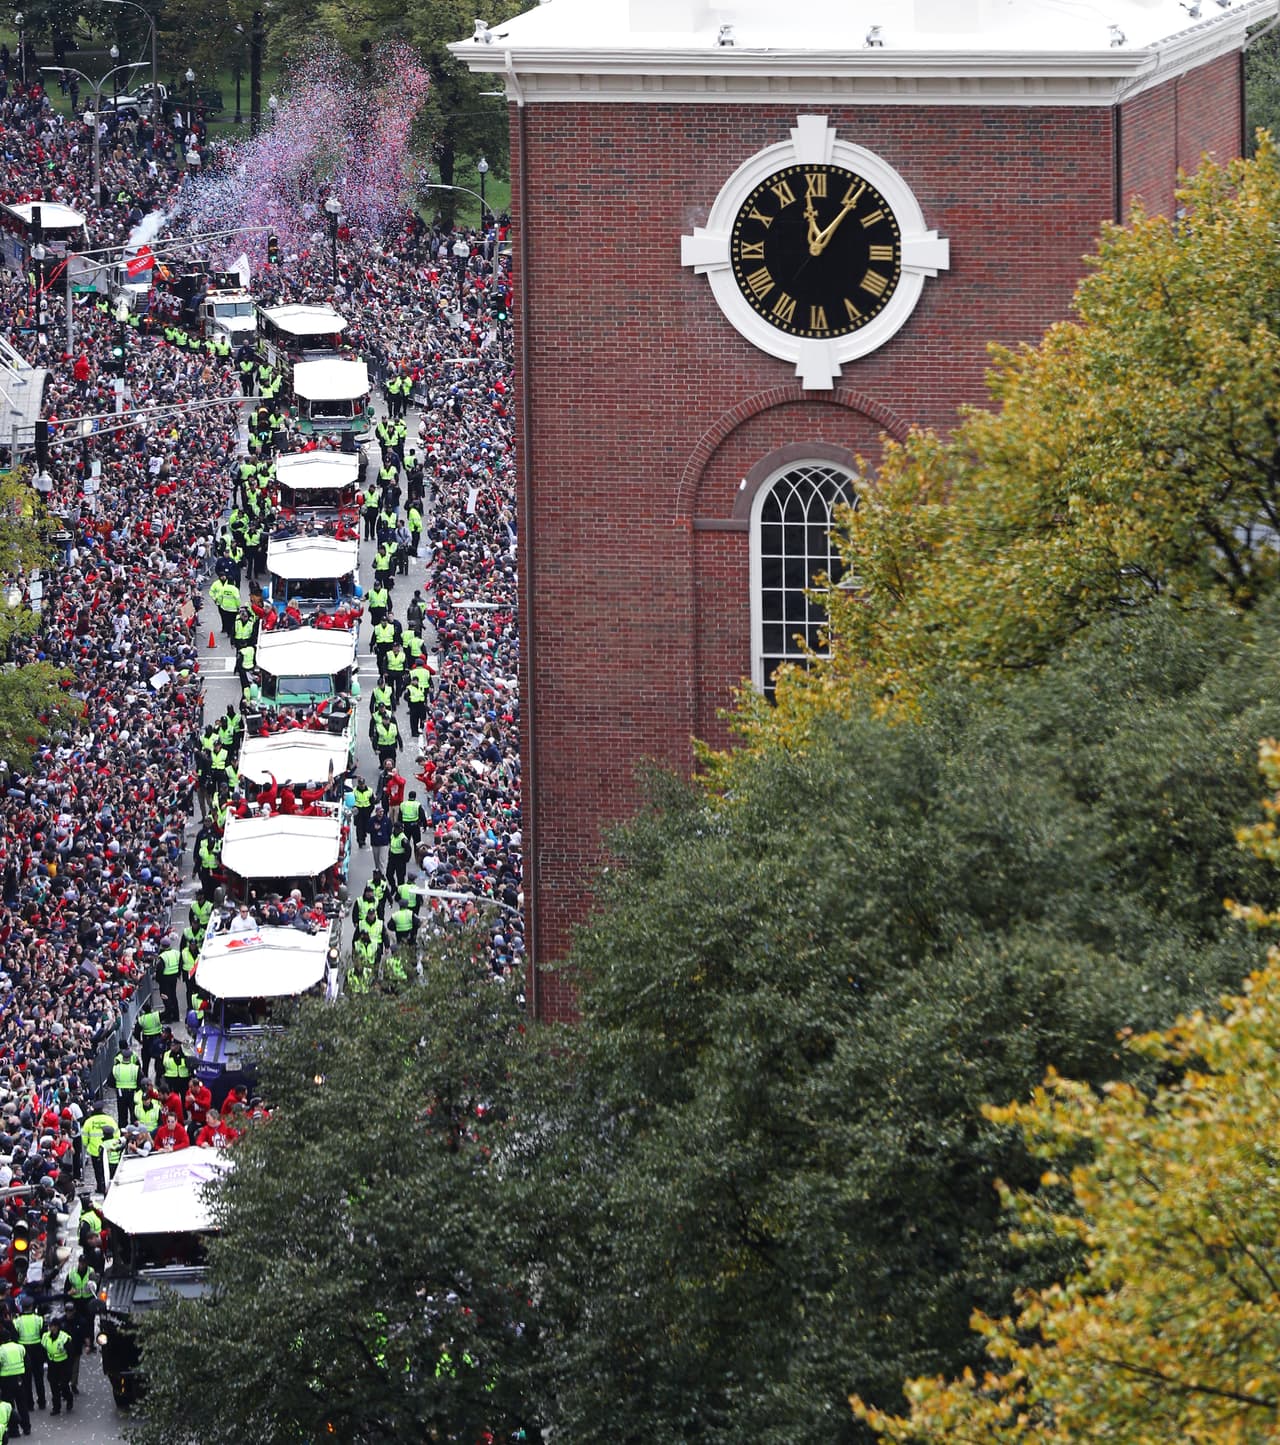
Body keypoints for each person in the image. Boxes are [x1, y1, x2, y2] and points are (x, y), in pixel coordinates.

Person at [11, 1299, 43, 1415]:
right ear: (31, 1306)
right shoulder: (38, 1319)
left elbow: (15, 1336)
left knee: (26, 1379)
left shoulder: (17, 1321)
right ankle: (42, 1401)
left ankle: (29, 1404)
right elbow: (42, 1333)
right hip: (37, 1349)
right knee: (39, 1377)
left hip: (24, 1349)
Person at [81, 1106, 118, 1197]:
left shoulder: (89, 1122)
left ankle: (100, 1187)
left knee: (97, 1170)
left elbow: (84, 1137)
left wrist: (87, 1145)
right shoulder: (109, 1120)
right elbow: (117, 1134)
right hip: (109, 1150)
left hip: (94, 1150)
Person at [40, 1317, 72, 1417]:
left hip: (63, 1364)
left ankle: (69, 1398)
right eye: (50, 1326)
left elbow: (71, 1352)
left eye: (53, 1326)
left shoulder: (64, 1337)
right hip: (52, 1364)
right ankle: (56, 1407)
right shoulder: (45, 1336)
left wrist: (69, 1366)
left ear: (57, 1327)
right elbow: (43, 1349)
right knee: (53, 1385)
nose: (51, 1328)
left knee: (63, 1385)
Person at [0, 1326, 27, 1438]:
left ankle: (14, 1430)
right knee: (22, 1404)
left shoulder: (1, 1350)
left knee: (9, 1405)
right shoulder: (19, 1347)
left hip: (6, 1380)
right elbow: (27, 1362)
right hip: (19, 1378)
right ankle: (27, 1427)